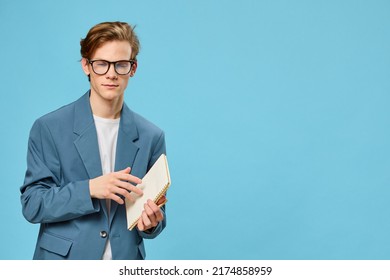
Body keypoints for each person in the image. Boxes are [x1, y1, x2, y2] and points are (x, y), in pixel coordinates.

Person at [20, 21, 167, 260]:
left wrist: (152, 222)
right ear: (86, 66)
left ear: (133, 68)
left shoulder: (152, 135)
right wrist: (90, 189)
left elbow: (156, 212)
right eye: (101, 64)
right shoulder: (48, 127)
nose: (111, 73)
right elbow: (32, 204)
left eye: (120, 64)